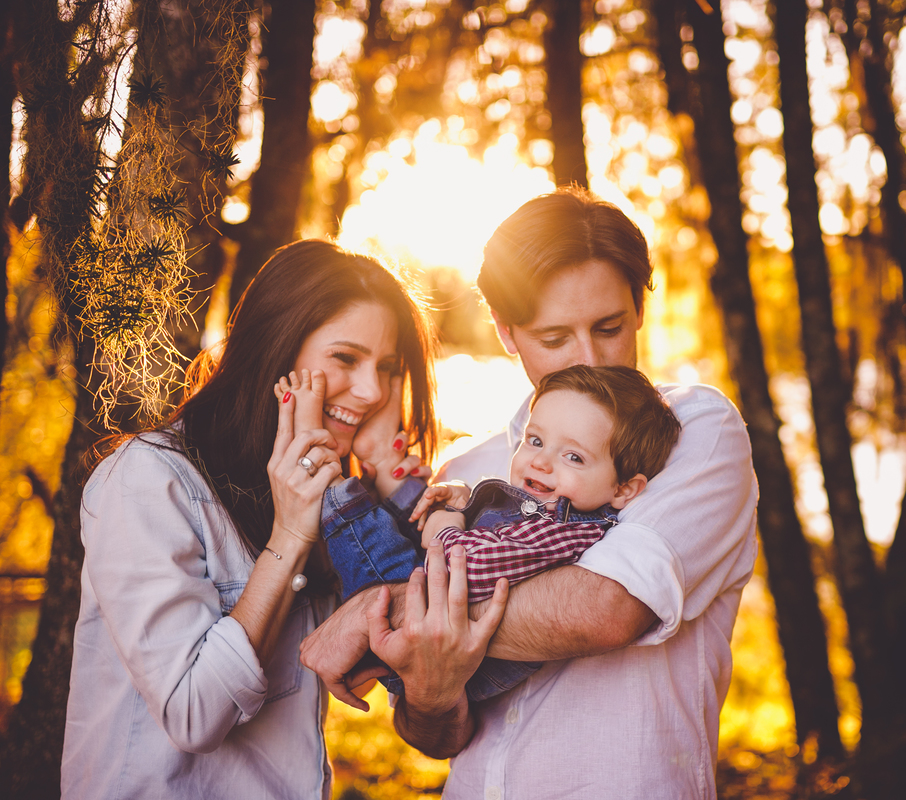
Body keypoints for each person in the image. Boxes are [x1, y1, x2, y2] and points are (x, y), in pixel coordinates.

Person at [300, 187, 759, 798]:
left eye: (609, 327)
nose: (591, 359)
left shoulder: (694, 431)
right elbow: (435, 737)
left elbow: (606, 609)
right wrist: (433, 690)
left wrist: (379, 612)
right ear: (507, 331)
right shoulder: (470, 470)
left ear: (640, 309)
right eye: (555, 338)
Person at [60, 240, 506, 799]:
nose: (370, 390)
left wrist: (390, 469)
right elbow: (194, 714)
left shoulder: (341, 499)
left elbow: (425, 653)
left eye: (386, 368)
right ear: (276, 351)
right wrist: (291, 536)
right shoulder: (150, 481)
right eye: (345, 359)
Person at [318, 364, 681, 701]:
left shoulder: (572, 532)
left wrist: (449, 526)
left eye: (574, 457)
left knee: (368, 538)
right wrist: (458, 500)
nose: (540, 461)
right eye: (535, 441)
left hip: (427, 652)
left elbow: (464, 567)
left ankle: (324, 479)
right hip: (430, 607)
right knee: (422, 509)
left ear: (623, 490)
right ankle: (384, 461)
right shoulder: (545, 505)